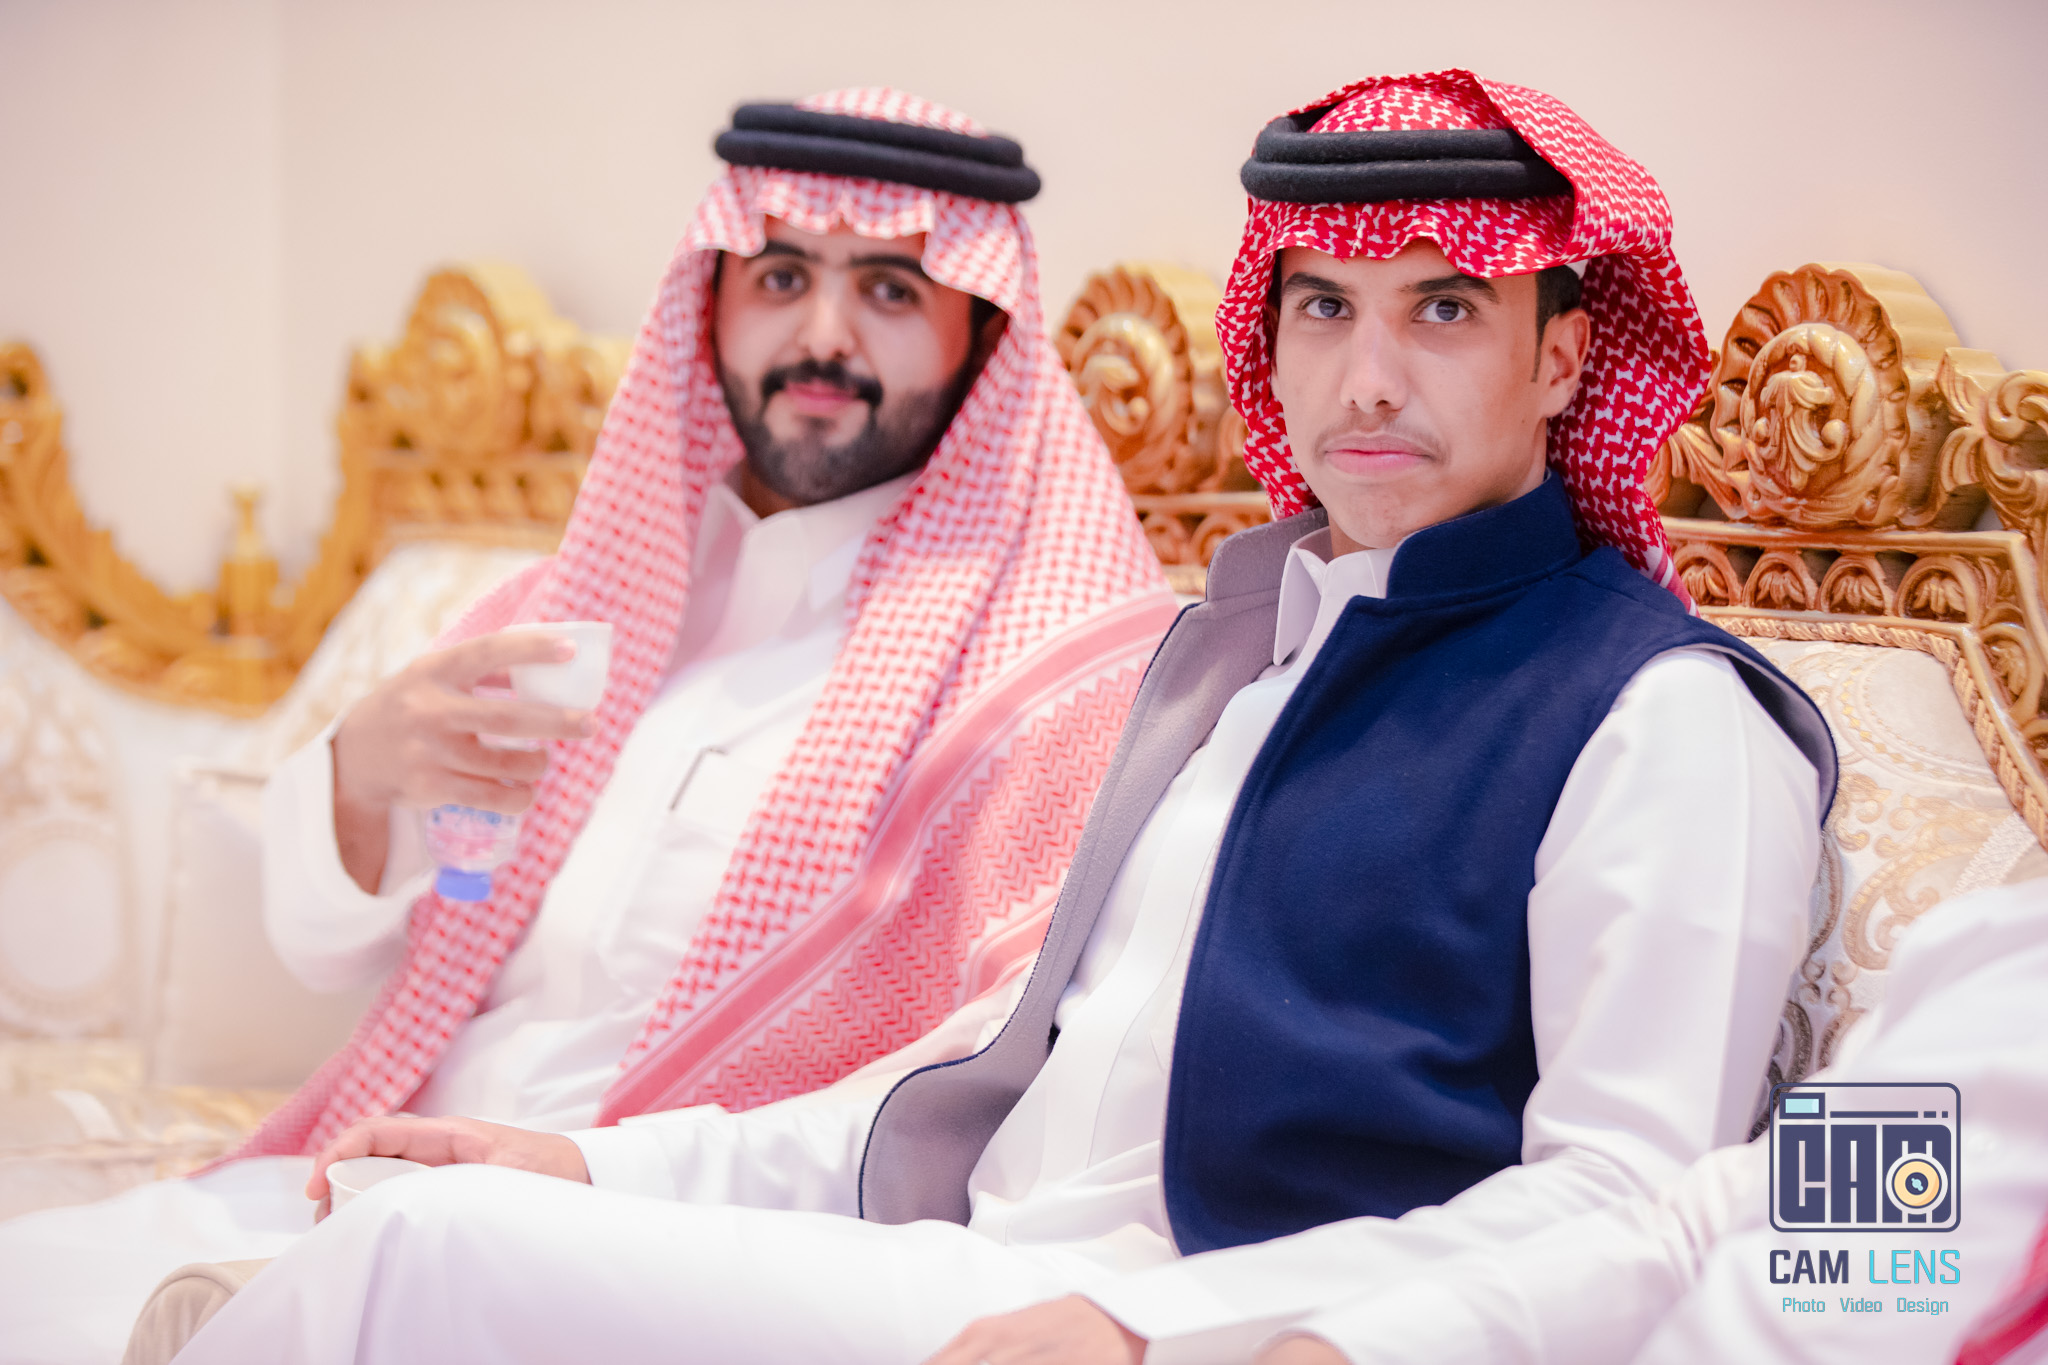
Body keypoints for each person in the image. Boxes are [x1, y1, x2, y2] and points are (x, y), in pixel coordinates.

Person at [168, 69, 1837, 1365]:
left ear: (1566, 360)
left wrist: (1154, 1331)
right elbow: (966, 1095)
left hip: (1210, 1330)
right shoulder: (1237, 667)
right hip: (971, 1279)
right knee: (418, 1232)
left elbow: (1634, 1206)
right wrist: (593, 1171)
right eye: (1324, 307)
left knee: (412, 1262)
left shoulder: (1661, 719)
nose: (1367, 379)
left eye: (1442, 309)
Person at [0, 88, 1174, 1364]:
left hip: (646, 1244)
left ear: (982, 332)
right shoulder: (580, 613)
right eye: (781, 276)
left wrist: (575, 1175)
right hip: (359, 1183)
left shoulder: (1037, 688)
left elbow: (979, 1084)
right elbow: (320, 948)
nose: (822, 336)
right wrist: (359, 775)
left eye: (890, 289)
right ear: (710, 299)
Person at [1248, 876, 2048, 1365]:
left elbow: (1616, 1165)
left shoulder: (1675, 703)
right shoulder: (2010, 962)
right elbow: (1706, 1231)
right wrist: (1351, 1347)